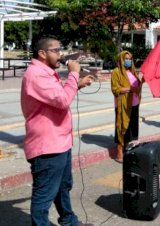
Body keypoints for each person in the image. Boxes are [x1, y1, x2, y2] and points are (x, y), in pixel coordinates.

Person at [20, 36, 93, 226]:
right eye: (56, 50)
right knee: (44, 196)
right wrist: (74, 75)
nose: (60, 54)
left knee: (62, 187)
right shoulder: (35, 74)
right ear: (42, 53)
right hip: (47, 147)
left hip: (60, 143)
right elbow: (61, 101)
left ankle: (69, 222)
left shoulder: (45, 73)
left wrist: (76, 84)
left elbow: (55, 96)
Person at [111, 50, 142, 162]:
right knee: (122, 127)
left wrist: (142, 82)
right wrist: (130, 89)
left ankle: (130, 150)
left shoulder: (133, 72)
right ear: (121, 59)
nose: (128, 61)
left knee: (132, 128)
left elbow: (137, 86)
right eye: (126, 59)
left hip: (134, 103)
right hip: (122, 104)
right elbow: (115, 89)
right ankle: (119, 151)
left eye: (130, 59)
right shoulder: (116, 72)